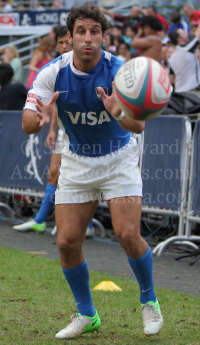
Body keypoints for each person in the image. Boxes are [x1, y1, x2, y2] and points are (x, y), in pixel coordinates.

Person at [21, 4, 163, 339]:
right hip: (77, 161)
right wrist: (39, 117)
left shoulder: (122, 71)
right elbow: (28, 122)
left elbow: (138, 126)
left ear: (104, 35)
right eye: (81, 31)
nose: (88, 38)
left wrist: (117, 111)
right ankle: (87, 313)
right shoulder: (51, 72)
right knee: (67, 242)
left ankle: (150, 302)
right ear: (69, 37)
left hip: (119, 158)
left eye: (95, 32)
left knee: (127, 234)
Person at [168, 25, 200, 92]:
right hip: (191, 91)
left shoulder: (172, 57)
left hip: (179, 92)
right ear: (179, 39)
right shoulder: (185, 49)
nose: (187, 33)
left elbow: (171, 78)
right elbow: (197, 37)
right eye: (183, 33)